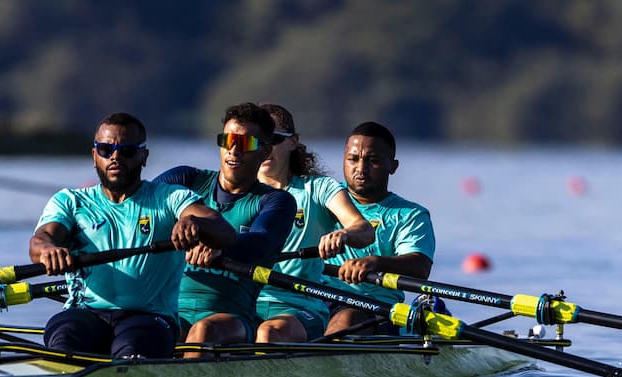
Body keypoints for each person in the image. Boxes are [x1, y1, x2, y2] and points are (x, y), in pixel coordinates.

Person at [30, 112, 236, 359]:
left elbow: (224, 231)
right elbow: (40, 241)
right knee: (63, 337)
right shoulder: (70, 201)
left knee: (132, 348)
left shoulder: (169, 197)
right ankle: (60, 374)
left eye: (126, 151)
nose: (115, 157)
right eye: (106, 150)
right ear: (94, 156)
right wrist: (48, 251)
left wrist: (193, 222)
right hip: (86, 312)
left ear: (144, 156)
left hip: (150, 317)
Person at [154, 103, 297, 353]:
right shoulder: (185, 180)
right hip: (169, 309)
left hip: (232, 318)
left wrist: (218, 246)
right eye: (227, 140)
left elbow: (259, 242)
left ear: (264, 152)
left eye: (245, 143)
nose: (233, 150)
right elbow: (138, 208)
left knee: (203, 330)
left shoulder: (276, 201)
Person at [254, 103, 376, 343]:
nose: (265, 147)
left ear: (293, 142)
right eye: (257, 140)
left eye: (274, 139)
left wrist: (344, 235)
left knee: (268, 334)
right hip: (243, 302)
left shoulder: (317, 189)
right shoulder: (234, 191)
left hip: (299, 306)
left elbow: (364, 230)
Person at [322, 121, 436, 336]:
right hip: (313, 300)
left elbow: (420, 267)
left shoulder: (410, 214)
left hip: (373, 310)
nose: (360, 169)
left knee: (346, 320)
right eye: (353, 159)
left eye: (372, 161)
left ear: (393, 166)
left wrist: (376, 263)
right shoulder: (323, 200)